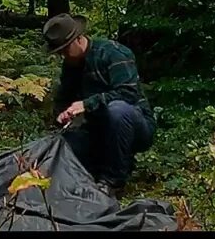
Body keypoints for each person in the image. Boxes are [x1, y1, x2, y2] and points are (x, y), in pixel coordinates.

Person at [44, 13, 156, 195]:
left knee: (118, 111)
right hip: (95, 129)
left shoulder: (113, 54)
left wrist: (87, 104)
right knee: (64, 145)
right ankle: (100, 167)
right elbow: (63, 99)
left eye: (65, 49)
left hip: (134, 124)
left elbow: (128, 93)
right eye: (59, 52)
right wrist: (63, 114)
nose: (63, 55)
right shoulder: (70, 66)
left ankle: (113, 181)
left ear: (79, 39)